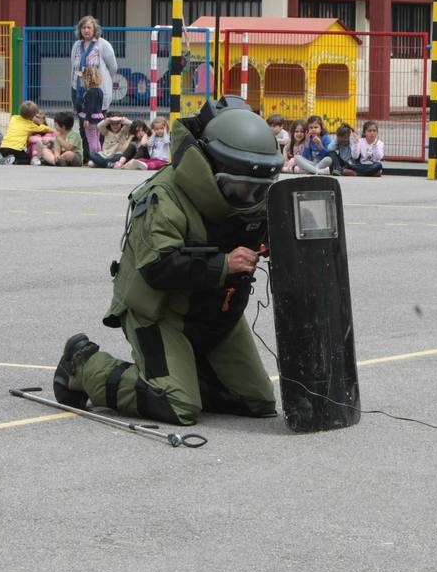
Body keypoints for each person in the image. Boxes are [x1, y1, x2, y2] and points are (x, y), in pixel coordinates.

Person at [52, 97, 284, 427]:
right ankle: (83, 364)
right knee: (177, 405)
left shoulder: (251, 192)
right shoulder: (164, 197)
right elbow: (158, 267)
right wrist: (223, 265)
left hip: (217, 315)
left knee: (257, 402)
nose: (250, 197)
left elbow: (264, 220)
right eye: (240, 188)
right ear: (212, 166)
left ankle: (188, 371)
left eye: (258, 190)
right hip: (161, 314)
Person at [70, 15, 118, 130]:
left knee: (97, 127)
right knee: (83, 126)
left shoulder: (103, 45)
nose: (86, 30)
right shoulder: (76, 46)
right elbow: (73, 67)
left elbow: (113, 67)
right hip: (79, 91)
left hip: (97, 91)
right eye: (83, 28)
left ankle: (98, 148)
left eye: (89, 28)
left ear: (94, 29)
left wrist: (103, 80)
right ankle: (85, 148)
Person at [0, 101, 47, 165]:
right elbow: (43, 128)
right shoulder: (30, 124)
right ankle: (14, 160)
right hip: (15, 149)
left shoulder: (13, 118)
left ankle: (2, 157)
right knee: (27, 159)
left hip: (3, 147)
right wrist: (53, 130)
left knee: (8, 153)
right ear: (32, 116)